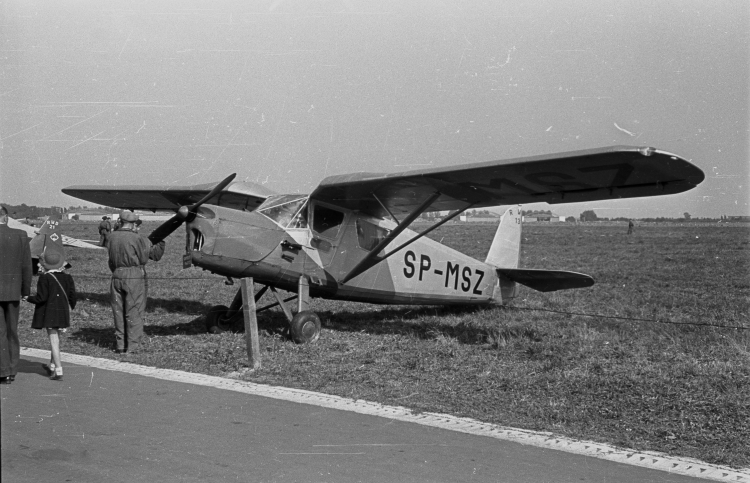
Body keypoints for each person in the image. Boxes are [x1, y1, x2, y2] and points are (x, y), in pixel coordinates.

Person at [108, 210, 165, 354]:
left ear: (120, 221)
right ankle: (132, 347)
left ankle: (120, 345)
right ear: (133, 224)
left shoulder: (112, 237)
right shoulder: (137, 238)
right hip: (133, 275)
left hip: (116, 274)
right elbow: (147, 257)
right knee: (134, 311)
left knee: (118, 311)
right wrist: (161, 240)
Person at [26, 249, 76, 381]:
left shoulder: (45, 278)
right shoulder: (67, 277)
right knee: (57, 340)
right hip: (63, 312)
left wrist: (28, 298)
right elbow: (73, 297)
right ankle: (52, 365)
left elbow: (41, 298)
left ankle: (59, 369)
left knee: (54, 341)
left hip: (50, 312)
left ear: (45, 264)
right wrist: (69, 308)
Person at [0, 205, 33, 384]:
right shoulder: (21, 236)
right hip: (13, 291)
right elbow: (27, 266)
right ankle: (12, 370)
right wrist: (25, 291)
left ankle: (3, 371)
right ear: (5, 218)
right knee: (12, 331)